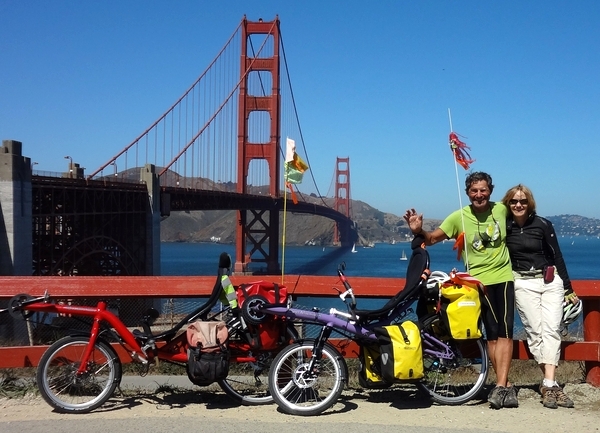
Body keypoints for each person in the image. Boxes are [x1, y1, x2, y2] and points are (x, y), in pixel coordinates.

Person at [404, 171, 517, 409]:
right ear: (467, 193)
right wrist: (418, 231)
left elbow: (524, 216)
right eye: (474, 191)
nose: (479, 195)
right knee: (491, 334)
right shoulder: (459, 217)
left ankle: (501, 386)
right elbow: (432, 238)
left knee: (505, 331)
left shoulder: (502, 210)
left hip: (503, 278)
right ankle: (503, 386)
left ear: (491, 191)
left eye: (483, 190)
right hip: (477, 283)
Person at [501, 184, 580, 409]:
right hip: (523, 283)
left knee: (552, 329)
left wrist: (568, 287)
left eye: (523, 201)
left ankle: (548, 383)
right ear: (508, 203)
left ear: (530, 203)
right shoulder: (504, 227)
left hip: (550, 281)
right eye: (514, 201)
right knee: (535, 331)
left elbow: (557, 256)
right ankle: (551, 385)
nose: (518, 205)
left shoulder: (543, 224)